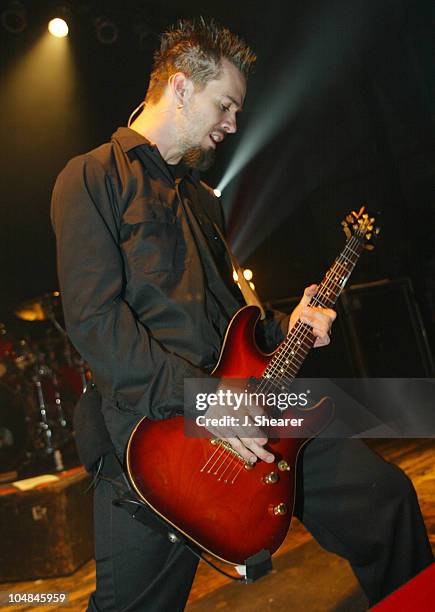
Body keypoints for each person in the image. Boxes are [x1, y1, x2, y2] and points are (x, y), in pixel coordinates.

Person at [51, 18, 433, 612]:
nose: (232, 124)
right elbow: (96, 323)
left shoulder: (203, 202)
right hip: (157, 431)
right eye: (224, 105)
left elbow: (232, 322)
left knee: (387, 500)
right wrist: (207, 405)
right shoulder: (92, 177)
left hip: (251, 400)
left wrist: (289, 326)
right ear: (180, 86)